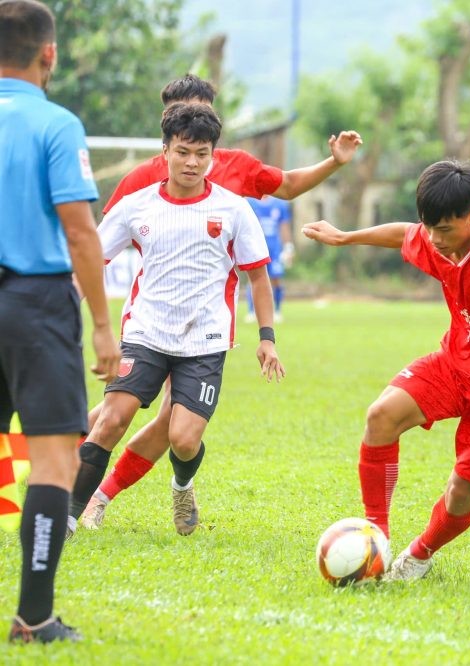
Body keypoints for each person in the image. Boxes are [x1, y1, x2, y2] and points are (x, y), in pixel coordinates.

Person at [73, 75, 361, 533]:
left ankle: (120, 488)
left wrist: (333, 162)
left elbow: (285, 186)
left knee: (178, 432)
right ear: (166, 134)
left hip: (205, 328)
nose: (192, 154)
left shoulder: (233, 175)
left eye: (202, 136)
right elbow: (101, 244)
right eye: (182, 137)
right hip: (150, 322)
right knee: (116, 415)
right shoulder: (143, 183)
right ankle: (83, 492)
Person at [302, 160, 470, 581]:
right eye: (430, 230)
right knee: (380, 416)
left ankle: (420, 554)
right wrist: (346, 237)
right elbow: (402, 233)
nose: (435, 241)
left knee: (461, 491)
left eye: (445, 230)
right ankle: (377, 540)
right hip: (457, 364)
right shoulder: (433, 238)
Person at [75, 102, 285, 538]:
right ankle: (66, 517)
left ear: (213, 155)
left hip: (205, 340)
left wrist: (267, 337)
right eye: (183, 151)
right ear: (166, 149)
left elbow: (258, 276)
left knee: (184, 439)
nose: (192, 162)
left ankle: (182, 484)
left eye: (202, 153)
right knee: (112, 418)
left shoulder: (233, 209)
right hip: (146, 332)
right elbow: (92, 260)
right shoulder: (137, 205)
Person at [0, 0, 120, 643]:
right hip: (33, 304)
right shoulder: (56, 124)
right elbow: (80, 232)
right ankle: (33, 618)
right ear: (48, 54)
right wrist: (102, 326)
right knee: (51, 462)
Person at [245, 195, 293, 323]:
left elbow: (284, 226)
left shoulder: (280, 204)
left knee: (276, 279)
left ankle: (277, 311)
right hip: (257, 247)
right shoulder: (249, 202)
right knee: (254, 278)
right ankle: (251, 311)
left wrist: (288, 247)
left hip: (275, 249)